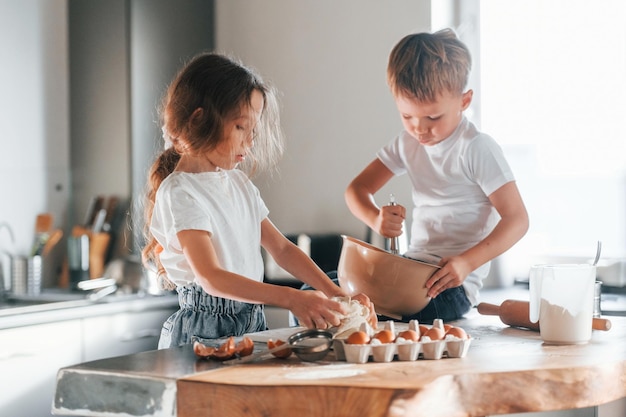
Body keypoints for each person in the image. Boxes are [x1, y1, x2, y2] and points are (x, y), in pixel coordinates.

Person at [142, 52, 374, 348]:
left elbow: (282, 249)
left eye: (254, 131)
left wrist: (334, 292)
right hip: (204, 332)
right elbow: (212, 277)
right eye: (241, 127)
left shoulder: (239, 184)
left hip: (253, 322)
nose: (249, 141)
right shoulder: (181, 192)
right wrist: (292, 298)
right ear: (200, 120)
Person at [345, 29, 529, 323]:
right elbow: (357, 190)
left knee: (375, 314)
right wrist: (376, 219)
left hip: (452, 285)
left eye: (432, 117)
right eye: (407, 116)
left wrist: (467, 263)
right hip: (409, 269)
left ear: (464, 101)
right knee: (317, 290)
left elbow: (518, 220)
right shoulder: (407, 144)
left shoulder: (476, 148)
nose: (419, 129)